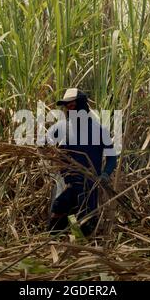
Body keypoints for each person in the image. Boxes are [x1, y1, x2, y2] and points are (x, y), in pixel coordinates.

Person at [46, 88, 117, 236]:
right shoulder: (60, 128)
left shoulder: (99, 130)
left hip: (89, 187)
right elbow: (44, 146)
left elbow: (112, 159)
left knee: (85, 230)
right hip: (65, 186)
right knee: (54, 231)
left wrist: (104, 175)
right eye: (66, 107)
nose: (68, 110)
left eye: (72, 106)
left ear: (82, 105)